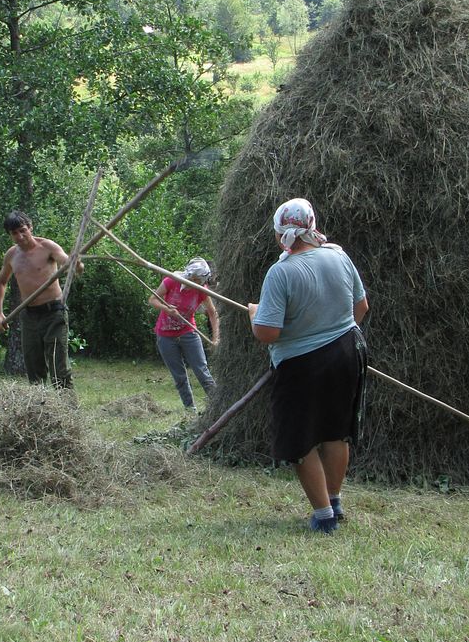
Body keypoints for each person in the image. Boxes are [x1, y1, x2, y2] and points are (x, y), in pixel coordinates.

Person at [248, 198, 369, 534]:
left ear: (280, 234)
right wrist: (330, 330)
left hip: (303, 365)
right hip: (349, 351)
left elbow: (268, 333)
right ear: (312, 226)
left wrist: (254, 315)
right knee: (335, 432)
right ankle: (335, 499)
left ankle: (324, 515)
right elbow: (360, 307)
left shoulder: (282, 272)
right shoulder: (339, 256)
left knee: (300, 441)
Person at [0, 210, 82, 390]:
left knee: (59, 367)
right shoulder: (12, 255)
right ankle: (39, 410)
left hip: (54, 314)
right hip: (29, 317)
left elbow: (67, 263)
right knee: (34, 368)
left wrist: (75, 263)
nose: (20, 236)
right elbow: (1, 281)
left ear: (30, 227)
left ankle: (67, 410)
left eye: (22, 230)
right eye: (14, 233)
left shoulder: (47, 247)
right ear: (10, 235)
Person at [149, 257, 220, 413]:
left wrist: (215, 338)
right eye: (195, 280)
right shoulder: (171, 281)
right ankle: (190, 410)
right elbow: (152, 299)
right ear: (190, 276)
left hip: (188, 333)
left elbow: (212, 313)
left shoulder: (202, 290)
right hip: (165, 335)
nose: (197, 283)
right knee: (179, 376)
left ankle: (219, 406)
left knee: (202, 371)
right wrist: (166, 309)